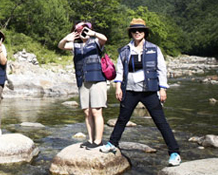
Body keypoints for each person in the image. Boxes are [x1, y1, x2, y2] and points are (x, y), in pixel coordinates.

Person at [100, 18, 181, 167]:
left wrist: (162, 89)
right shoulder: (124, 50)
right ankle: (112, 143)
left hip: (149, 91)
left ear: (145, 33)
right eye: (134, 30)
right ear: (130, 33)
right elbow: (119, 71)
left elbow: (162, 70)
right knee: (122, 119)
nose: (137, 32)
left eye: (140, 30)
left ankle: (174, 153)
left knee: (160, 122)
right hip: (129, 90)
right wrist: (118, 87)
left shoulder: (154, 49)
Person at [58, 21, 108, 149]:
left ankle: (98, 141)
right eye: (79, 30)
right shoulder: (75, 45)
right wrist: (65, 39)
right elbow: (61, 46)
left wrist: (94, 34)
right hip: (83, 81)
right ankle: (90, 139)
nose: (83, 32)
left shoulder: (96, 42)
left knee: (96, 111)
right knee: (87, 112)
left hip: (97, 80)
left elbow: (104, 39)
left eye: (85, 29)